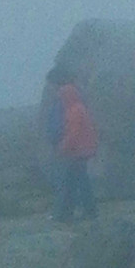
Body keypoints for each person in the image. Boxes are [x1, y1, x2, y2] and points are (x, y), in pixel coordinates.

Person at [41, 71, 100, 222]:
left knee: (74, 182)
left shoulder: (74, 111)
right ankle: (81, 212)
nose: (59, 95)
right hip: (80, 151)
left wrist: (62, 148)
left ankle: (70, 213)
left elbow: (73, 134)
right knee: (77, 181)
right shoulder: (78, 108)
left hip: (77, 152)